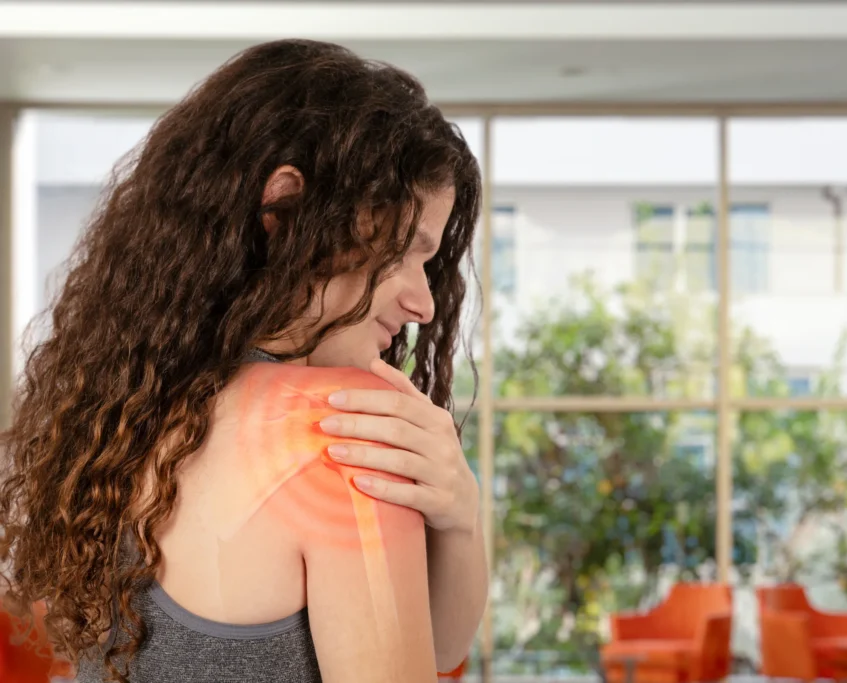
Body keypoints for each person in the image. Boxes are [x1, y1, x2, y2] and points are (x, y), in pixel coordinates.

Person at [0, 38, 487, 683]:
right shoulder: (335, 431)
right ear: (285, 211)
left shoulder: (122, 416)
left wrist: (459, 518)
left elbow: (431, 647)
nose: (424, 302)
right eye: (406, 250)